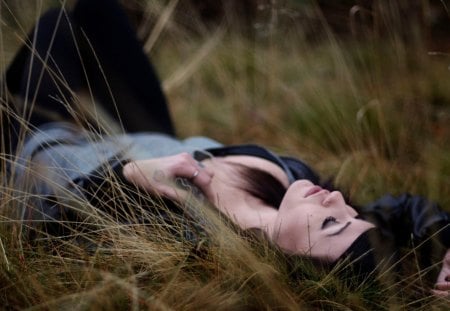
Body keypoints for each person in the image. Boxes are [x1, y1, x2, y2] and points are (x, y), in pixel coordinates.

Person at [2, 0, 450, 297]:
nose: (337, 199)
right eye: (351, 214)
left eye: (332, 224)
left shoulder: (198, 244)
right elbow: (397, 209)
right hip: (153, 135)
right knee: (95, 9)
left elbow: (68, 222)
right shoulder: (300, 191)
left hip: (48, 153)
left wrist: (131, 179)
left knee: (55, 24)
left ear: (305, 268)